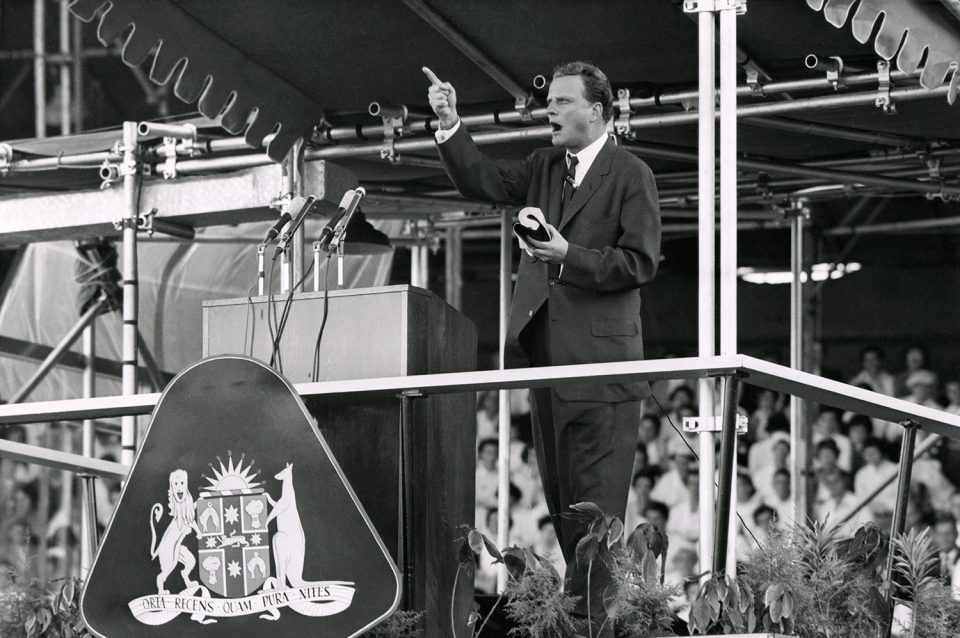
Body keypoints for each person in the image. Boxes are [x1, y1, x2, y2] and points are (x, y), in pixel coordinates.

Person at [425, 60, 661, 630]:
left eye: (560, 102)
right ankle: (579, 621)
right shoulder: (545, 166)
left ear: (598, 111)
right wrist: (451, 124)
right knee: (563, 508)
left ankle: (594, 625)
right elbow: (481, 179)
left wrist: (567, 257)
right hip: (547, 363)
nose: (547, 111)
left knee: (596, 516)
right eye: (548, 101)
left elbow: (641, 261)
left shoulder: (631, 173)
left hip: (602, 370)